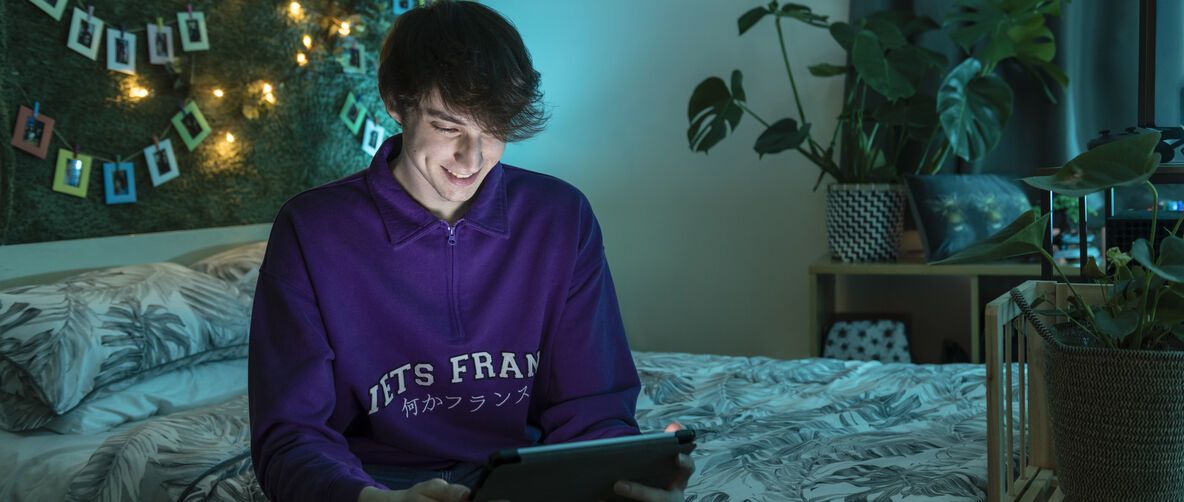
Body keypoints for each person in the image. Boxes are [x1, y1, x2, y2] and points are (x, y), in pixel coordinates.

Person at [248, 2, 694, 502]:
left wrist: (618, 479)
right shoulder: (312, 231)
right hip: (377, 487)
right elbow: (290, 437)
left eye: (493, 129)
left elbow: (592, 407)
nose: (473, 158)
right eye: (449, 127)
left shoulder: (560, 218)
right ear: (398, 103)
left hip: (530, 478)